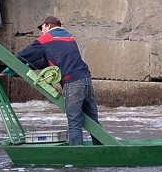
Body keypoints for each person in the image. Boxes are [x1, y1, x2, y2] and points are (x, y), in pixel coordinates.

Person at [16, 16, 101, 146]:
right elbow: (47, 61)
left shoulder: (46, 38)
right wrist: (30, 65)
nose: (41, 32)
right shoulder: (69, 37)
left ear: (48, 26)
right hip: (86, 80)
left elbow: (24, 55)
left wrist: (14, 66)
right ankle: (101, 151)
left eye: (42, 28)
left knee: (75, 124)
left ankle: (77, 156)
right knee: (94, 122)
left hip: (72, 83)